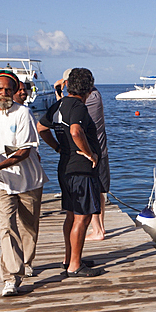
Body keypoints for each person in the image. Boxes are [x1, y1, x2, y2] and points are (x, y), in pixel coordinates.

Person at [0, 70, 48, 296]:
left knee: (29, 227)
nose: (3, 93)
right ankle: (11, 278)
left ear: (14, 92)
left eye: (8, 90)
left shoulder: (23, 113)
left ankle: (26, 261)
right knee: (7, 227)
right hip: (1, 183)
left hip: (28, 180)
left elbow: (24, 151)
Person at [38, 67, 103, 278]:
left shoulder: (59, 105)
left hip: (65, 167)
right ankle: (75, 265)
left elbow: (41, 128)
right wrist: (90, 153)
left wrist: (58, 147)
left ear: (67, 85)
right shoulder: (78, 107)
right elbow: (75, 131)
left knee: (71, 215)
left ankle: (69, 258)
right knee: (82, 218)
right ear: (89, 87)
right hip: (80, 170)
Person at [84, 84, 111, 241]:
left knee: (91, 192)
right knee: (100, 191)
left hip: (90, 154)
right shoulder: (97, 97)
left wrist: (58, 92)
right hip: (103, 152)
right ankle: (101, 227)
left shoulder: (84, 103)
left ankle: (97, 230)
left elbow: (64, 114)